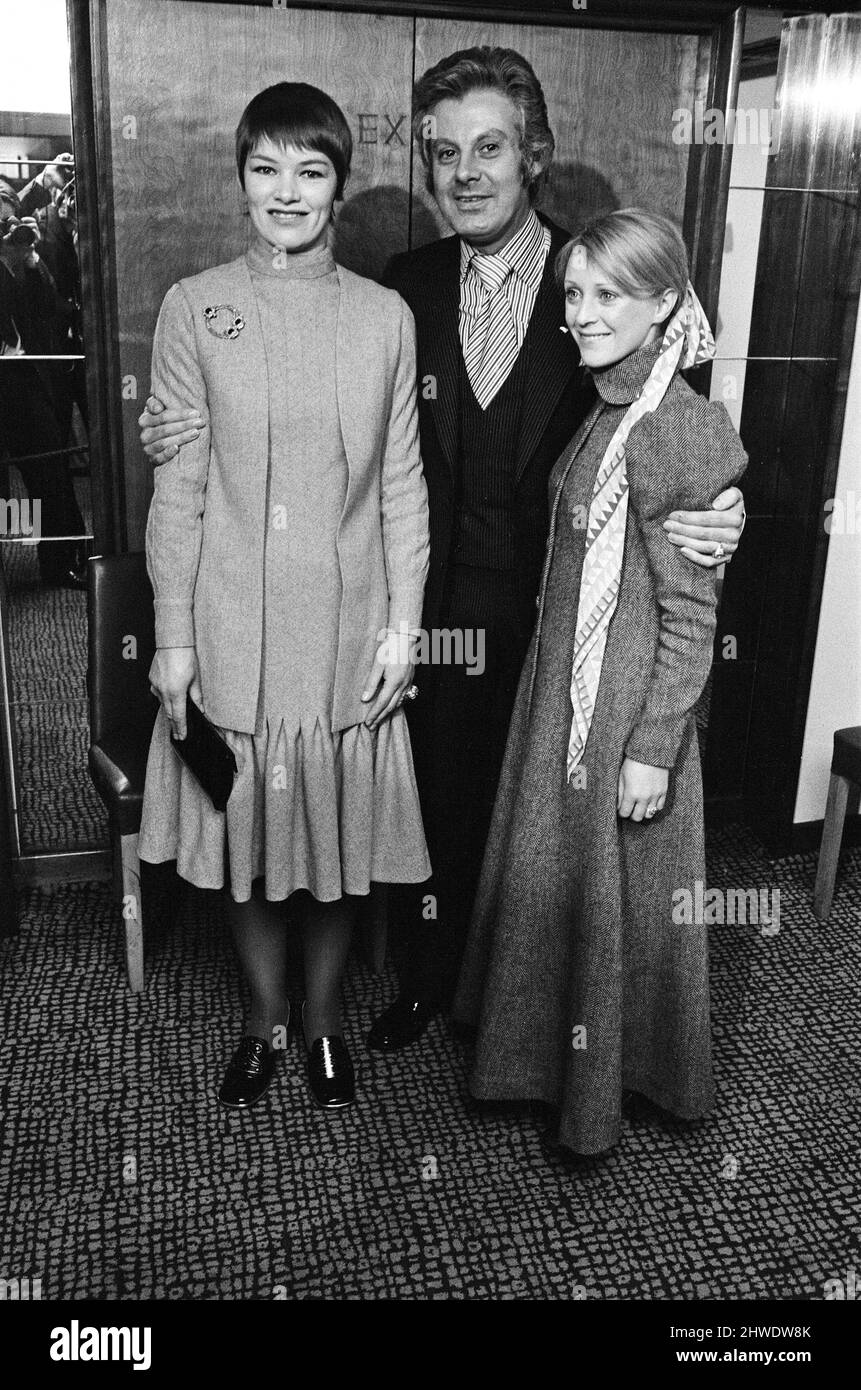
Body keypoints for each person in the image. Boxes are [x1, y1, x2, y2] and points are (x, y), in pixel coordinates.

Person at [138, 48, 747, 1054]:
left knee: (548, 829)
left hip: (561, 623)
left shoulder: (589, 278)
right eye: (444, 153)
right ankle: (430, 983)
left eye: (490, 148)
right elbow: (342, 437)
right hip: (425, 617)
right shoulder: (404, 285)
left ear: (535, 157)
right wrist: (176, 431)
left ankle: (539, 1017)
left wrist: (722, 509)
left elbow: (673, 415)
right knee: (439, 808)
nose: (466, 171)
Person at [138, 82, 431, 1112]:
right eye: (266, 168)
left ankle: (322, 1021)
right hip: (231, 635)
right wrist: (173, 639)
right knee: (250, 845)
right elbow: (176, 489)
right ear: (242, 180)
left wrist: (406, 626)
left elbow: (402, 484)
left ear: (340, 185)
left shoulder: (386, 317)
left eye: (310, 170)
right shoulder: (191, 305)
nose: (287, 191)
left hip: (349, 636)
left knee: (338, 845)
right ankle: (264, 1020)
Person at [454, 208, 748, 1158]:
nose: (580, 312)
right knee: (561, 883)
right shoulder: (608, 407)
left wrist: (654, 748)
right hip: (563, 698)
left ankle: (602, 1094)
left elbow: (693, 616)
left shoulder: (679, 427)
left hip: (623, 714)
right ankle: (543, 1062)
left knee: (613, 896)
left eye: (607, 295)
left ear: (665, 303)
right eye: (573, 293)